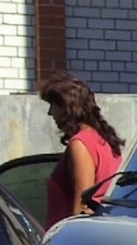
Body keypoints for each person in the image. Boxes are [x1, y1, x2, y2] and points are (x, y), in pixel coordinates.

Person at [39, 71, 123, 228]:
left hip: (75, 239)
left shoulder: (80, 144)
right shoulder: (104, 140)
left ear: (67, 107)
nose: (50, 113)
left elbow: (81, 207)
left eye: (53, 105)